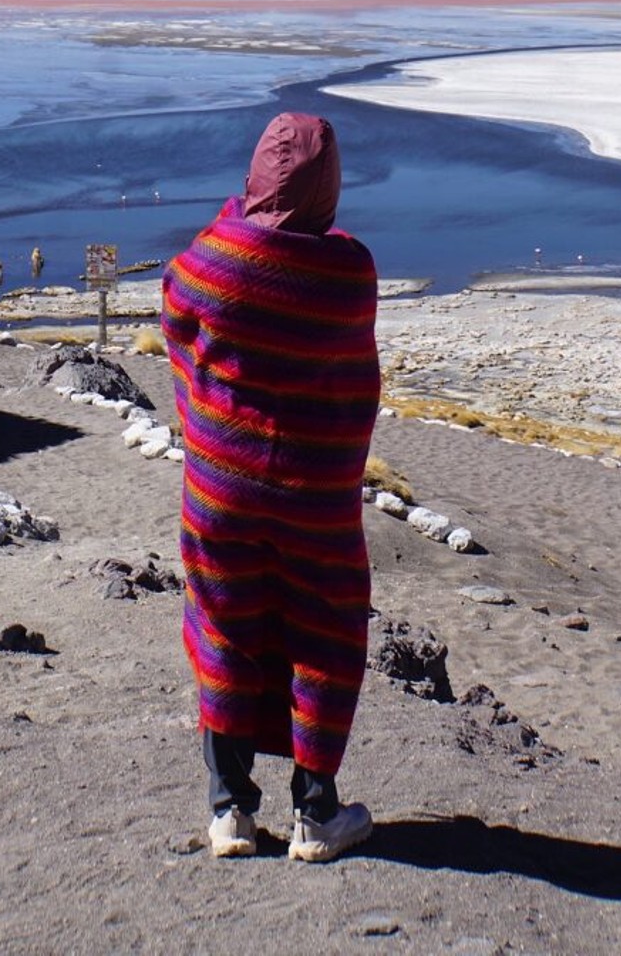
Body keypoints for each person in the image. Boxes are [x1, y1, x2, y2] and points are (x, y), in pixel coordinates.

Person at [162, 112, 381, 863]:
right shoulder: (350, 273)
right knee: (325, 632)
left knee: (225, 626)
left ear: (255, 177)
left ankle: (229, 810)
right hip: (313, 496)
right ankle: (316, 814)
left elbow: (178, 314)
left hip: (221, 488)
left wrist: (237, 216)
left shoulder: (209, 264)